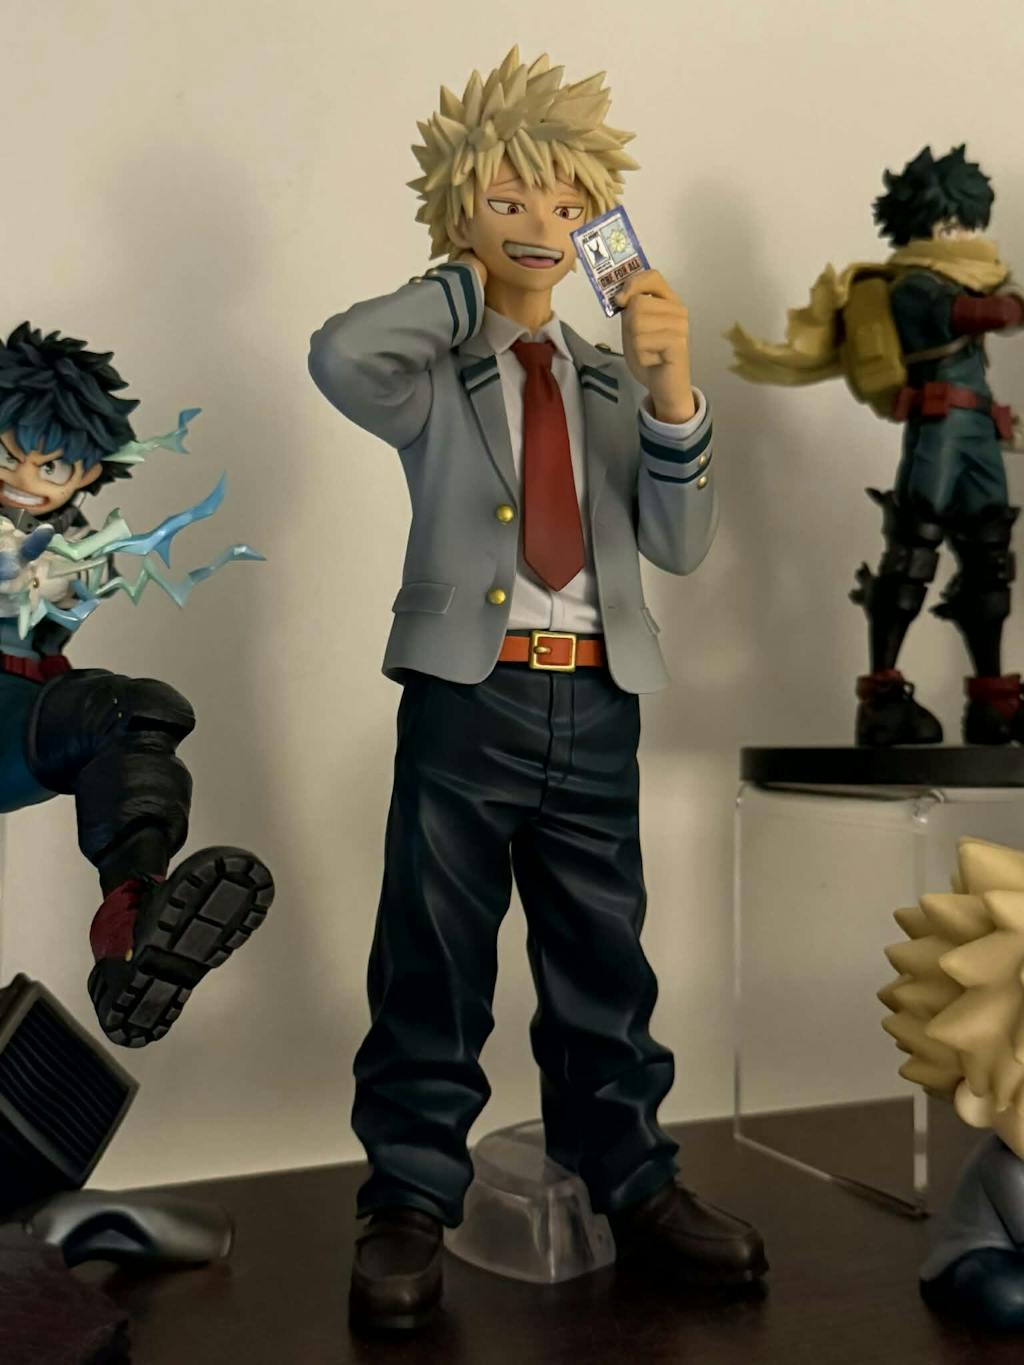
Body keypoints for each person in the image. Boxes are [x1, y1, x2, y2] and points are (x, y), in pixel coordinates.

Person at [309, 46, 765, 1330]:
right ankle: (409, 1196)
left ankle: (630, 1176)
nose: (539, 227)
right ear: (456, 211)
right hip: (471, 696)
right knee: (433, 954)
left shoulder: (611, 380)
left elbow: (678, 543)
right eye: (506, 200)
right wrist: (465, 281)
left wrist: (672, 394)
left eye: (566, 206)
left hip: (598, 696)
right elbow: (339, 355)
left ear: (600, 221)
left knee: (603, 956)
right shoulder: (433, 369)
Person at [0, 322, 273, 1048]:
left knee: (137, 711)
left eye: (51, 465)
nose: (22, 477)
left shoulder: (77, 549)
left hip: (15, 716)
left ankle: (131, 931)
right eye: (7, 453)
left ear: (89, 471)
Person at [730, 147, 1024, 746]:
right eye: (953, 225)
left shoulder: (968, 275)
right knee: (914, 546)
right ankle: (883, 695)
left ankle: (992, 700)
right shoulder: (914, 285)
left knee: (989, 557)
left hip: (978, 430)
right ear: (926, 224)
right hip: (939, 427)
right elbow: (980, 314)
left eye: (968, 224)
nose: (965, 237)